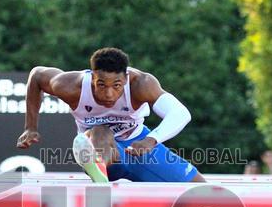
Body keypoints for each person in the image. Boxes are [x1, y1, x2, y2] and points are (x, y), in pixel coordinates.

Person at [16, 47, 203, 183]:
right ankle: (99, 171)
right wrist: (30, 127)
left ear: (126, 79)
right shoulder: (72, 86)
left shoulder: (141, 84)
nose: (109, 94)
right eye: (101, 85)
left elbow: (180, 113)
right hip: (100, 147)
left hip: (138, 145)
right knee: (100, 130)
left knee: (205, 195)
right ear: (92, 78)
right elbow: (37, 76)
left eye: (117, 86)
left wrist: (151, 140)